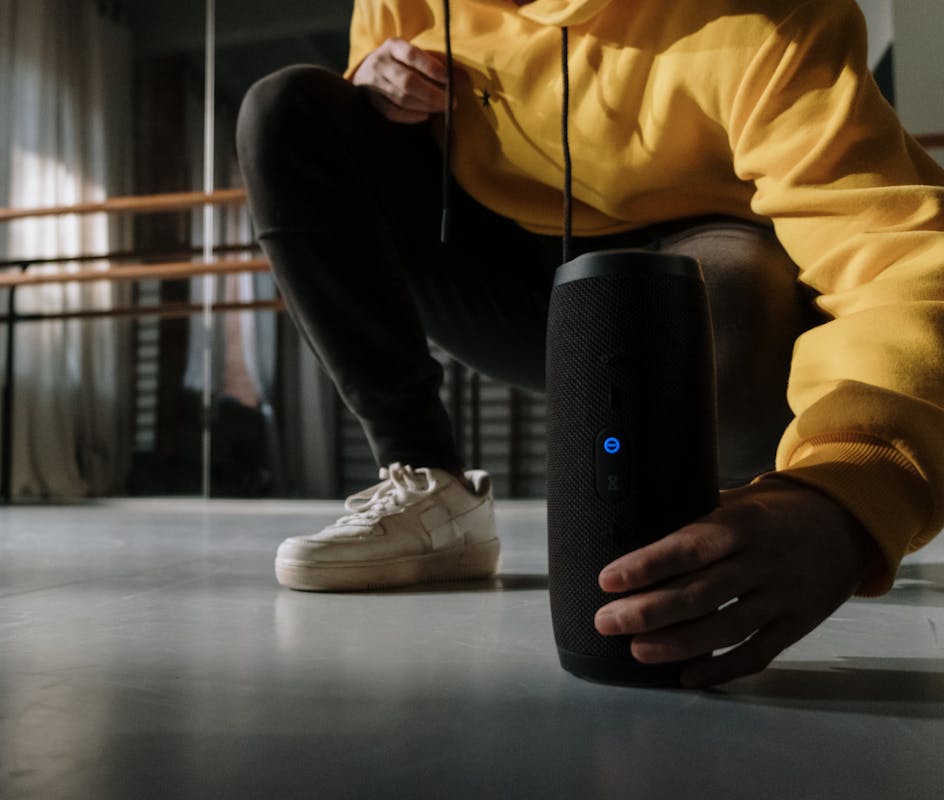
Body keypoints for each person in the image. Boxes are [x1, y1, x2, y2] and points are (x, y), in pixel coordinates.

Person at [235, 0, 944, 687]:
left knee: (717, 295)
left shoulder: (769, 17)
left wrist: (852, 483)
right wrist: (373, 82)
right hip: (499, 271)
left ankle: (724, 518)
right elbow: (361, 108)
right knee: (290, 108)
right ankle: (429, 484)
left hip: (705, 275)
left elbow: (893, 253)